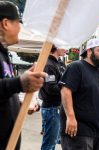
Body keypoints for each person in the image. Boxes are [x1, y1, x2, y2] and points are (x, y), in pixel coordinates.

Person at [0, 1, 46, 150]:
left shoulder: (3, 54)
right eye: (18, 22)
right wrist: (19, 83)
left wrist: (21, 106)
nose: (20, 27)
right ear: (6, 23)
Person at [39, 45, 66, 150]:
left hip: (56, 108)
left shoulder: (59, 63)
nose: (66, 48)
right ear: (55, 46)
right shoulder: (49, 65)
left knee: (52, 142)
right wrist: (67, 89)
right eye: (63, 45)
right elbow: (50, 87)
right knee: (49, 144)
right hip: (51, 108)